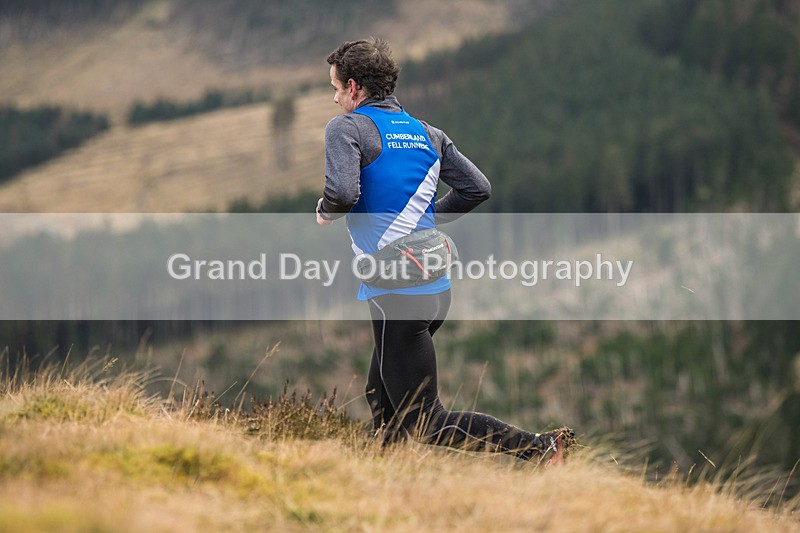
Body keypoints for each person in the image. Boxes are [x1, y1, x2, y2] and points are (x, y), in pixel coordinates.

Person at [316, 38, 574, 462]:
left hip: (398, 289)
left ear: (355, 87)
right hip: (434, 288)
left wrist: (326, 210)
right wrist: (427, 221)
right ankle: (385, 482)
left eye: (337, 88)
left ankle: (541, 448)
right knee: (381, 392)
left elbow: (343, 192)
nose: (335, 97)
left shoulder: (347, 128)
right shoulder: (428, 134)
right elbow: (478, 188)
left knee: (426, 421)